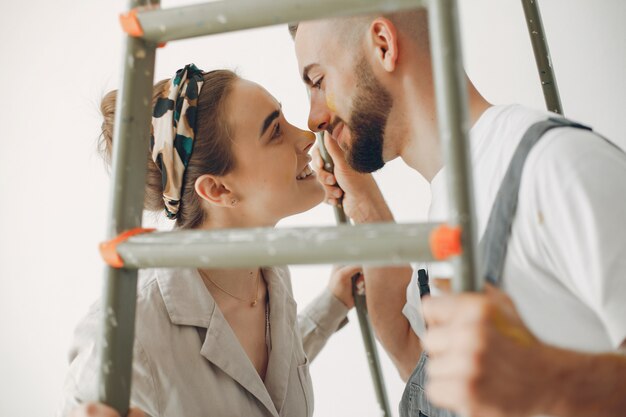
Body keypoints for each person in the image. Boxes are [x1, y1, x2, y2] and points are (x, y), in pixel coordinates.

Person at [291, 9, 626, 417]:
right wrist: (360, 198)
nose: (314, 118)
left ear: (384, 44)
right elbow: (410, 350)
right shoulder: (451, 204)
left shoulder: (556, 165)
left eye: (317, 81)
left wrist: (550, 385)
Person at [60, 64, 362, 417]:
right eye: (275, 131)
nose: (307, 136)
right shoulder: (125, 330)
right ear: (217, 189)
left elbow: (253, 388)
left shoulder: (268, 269)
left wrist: (333, 303)